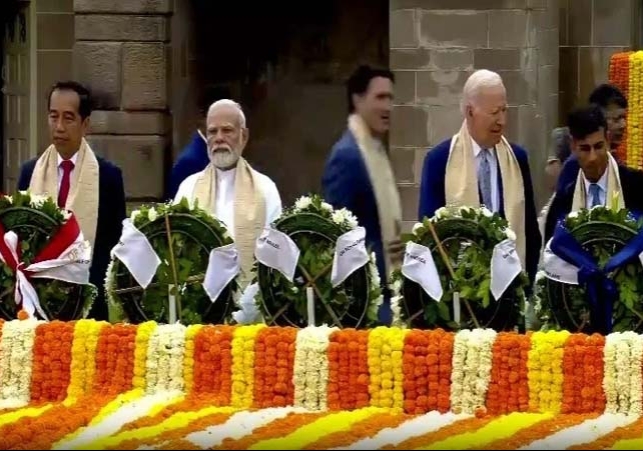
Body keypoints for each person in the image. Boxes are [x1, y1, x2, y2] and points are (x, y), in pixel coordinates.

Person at [417, 69, 541, 284]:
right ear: (469, 112)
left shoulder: (518, 159)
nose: (502, 120)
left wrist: (525, 289)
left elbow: (530, 231)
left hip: (512, 289)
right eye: (494, 113)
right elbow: (429, 237)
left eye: (504, 110)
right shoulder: (439, 161)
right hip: (460, 294)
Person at [17, 81, 126, 321]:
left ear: (85, 124)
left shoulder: (107, 177)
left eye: (68, 118)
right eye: (53, 116)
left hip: (89, 308)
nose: (59, 127)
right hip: (36, 305)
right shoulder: (30, 173)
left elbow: (113, 247)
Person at [321, 65, 403, 325]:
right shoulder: (347, 156)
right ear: (357, 100)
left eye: (391, 98)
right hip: (365, 300)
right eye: (380, 97)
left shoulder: (375, 151)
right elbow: (335, 233)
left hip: (387, 290)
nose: (388, 106)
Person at [174, 99, 282, 286]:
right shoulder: (188, 188)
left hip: (249, 305)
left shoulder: (266, 189)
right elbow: (176, 248)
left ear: (244, 136)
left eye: (227, 130)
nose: (219, 138)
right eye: (212, 131)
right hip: (198, 305)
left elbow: (275, 256)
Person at [544, 104, 643, 241]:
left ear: (607, 140)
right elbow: (551, 256)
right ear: (573, 146)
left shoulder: (637, 187)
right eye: (585, 149)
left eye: (598, 147)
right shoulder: (564, 201)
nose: (593, 157)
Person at [556, 84, 628, 192]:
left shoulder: (624, 170)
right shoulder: (575, 166)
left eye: (624, 118)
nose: (623, 125)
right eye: (617, 119)